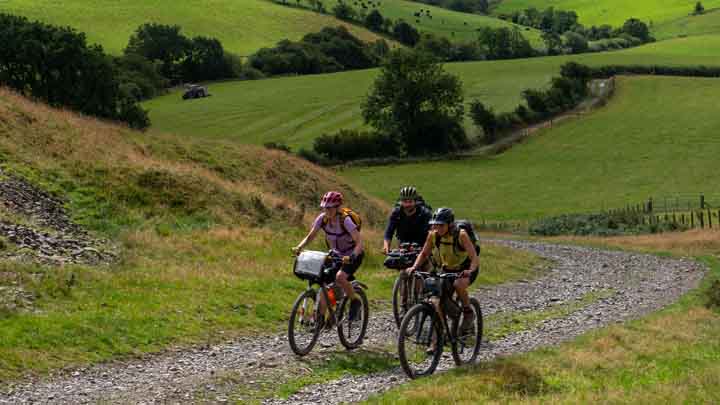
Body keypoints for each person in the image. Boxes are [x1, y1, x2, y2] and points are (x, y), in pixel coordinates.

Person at [406, 207, 480, 334]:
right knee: (437, 299)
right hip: (447, 269)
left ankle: (468, 313)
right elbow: (424, 254)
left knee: (458, 284)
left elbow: (474, 257)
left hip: (466, 268)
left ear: (450, 224)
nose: (437, 228)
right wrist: (414, 267)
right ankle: (439, 337)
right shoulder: (433, 235)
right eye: (435, 225)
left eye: (441, 225)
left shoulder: (461, 235)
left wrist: (470, 270)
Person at [293, 191, 364, 320]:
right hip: (336, 255)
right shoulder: (322, 219)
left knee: (340, 277)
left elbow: (359, 243)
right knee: (322, 279)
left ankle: (355, 301)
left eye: (330, 208)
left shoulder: (345, 220)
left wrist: (352, 256)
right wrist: (299, 247)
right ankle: (321, 318)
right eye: (325, 207)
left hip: (353, 254)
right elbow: (310, 236)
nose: (327, 210)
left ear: (337, 208)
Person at [382, 186, 432, 254]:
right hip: (403, 247)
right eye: (405, 201)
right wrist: (386, 247)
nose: (408, 204)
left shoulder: (425, 214)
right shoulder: (396, 213)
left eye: (410, 201)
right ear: (401, 202)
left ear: (415, 201)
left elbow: (430, 235)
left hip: (422, 247)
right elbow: (389, 232)